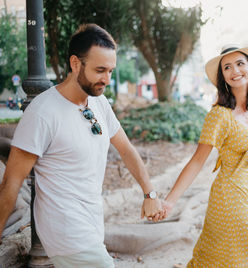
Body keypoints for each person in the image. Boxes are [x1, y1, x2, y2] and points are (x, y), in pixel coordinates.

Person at [0, 24, 162, 267]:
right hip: (65, 232)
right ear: (75, 64)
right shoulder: (42, 112)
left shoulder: (99, 104)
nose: (106, 79)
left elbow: (126, 149)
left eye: (110, 71)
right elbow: (11, 184)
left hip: (92, 226)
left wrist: (150, 193)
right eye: (100, 70)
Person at [159, 45, 248, 267]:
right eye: (227, 67)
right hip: (228, 198)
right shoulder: (218, 115)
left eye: (240, 64)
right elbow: (197, 161)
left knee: (219, 258)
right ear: (223, 76)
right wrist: (170, 202)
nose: (235, 70)